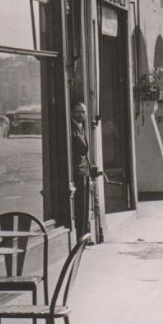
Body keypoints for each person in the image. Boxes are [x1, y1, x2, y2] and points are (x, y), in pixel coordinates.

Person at [71, 100, 93, 240]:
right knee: (79, 207)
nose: (81, 114)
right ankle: (80, 236)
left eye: (83, 112)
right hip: (77, 172)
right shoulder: (72, 129)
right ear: (72, 112)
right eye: (78, 111)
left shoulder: (82, 127)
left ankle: (84, 236)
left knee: (84, 205)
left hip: (84, 171)